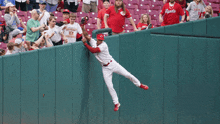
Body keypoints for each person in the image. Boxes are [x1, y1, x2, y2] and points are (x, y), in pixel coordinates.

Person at [81, 26, 149, 111]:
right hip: (105, 68)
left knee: (127, 74)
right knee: (110, 86)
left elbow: (93, 51)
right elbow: (87, 36)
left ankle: (139, 84)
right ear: (97, 39)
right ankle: (116, 103)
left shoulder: (104, 45)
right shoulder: (93, 42)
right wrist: (83, 27)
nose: (101, 41)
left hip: (112, 63)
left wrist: (85, 44)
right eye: (99, 40)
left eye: (102, 40)